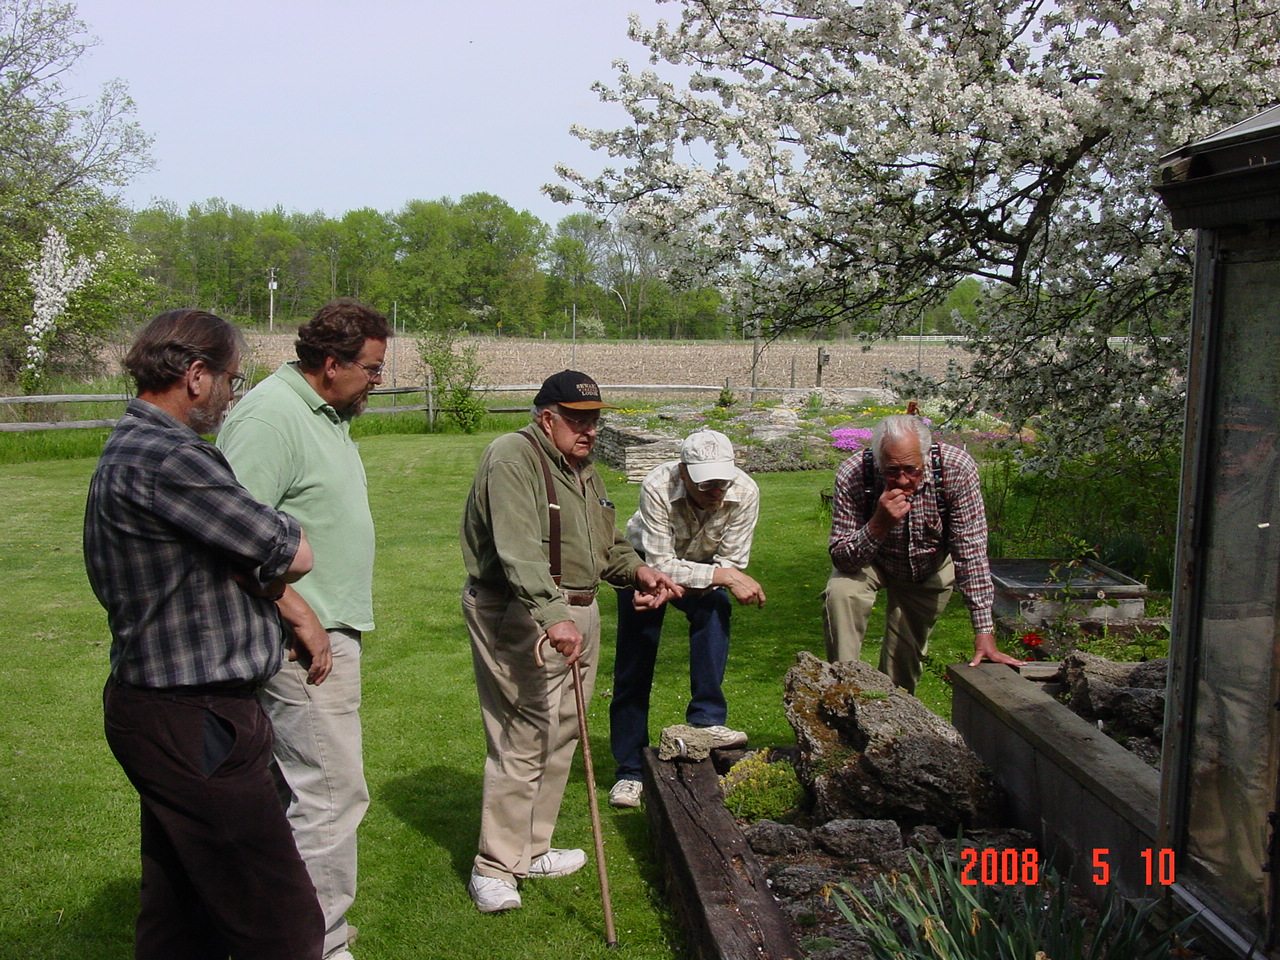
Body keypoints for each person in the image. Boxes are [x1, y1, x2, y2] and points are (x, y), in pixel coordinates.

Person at [84, 309, 326, 960]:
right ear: (195, 375)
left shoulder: (130, 446)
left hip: (167, 712)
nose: (232, 394)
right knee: (284, 926)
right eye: (230, 379)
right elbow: (293, 552)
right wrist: (280, 543)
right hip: (195, 720)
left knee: (180, 916)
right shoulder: (170, 457)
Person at [460, 369, 682, 913]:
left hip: (576, 613)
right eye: (577, 419)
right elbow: (517, 549)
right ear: (547, 417)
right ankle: (493, 866)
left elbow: (606, 550)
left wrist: (642, 573)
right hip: (522, 612)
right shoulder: (513, 457)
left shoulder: (586, 473)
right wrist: (552, 615)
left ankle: (531, 850)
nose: (589, 429)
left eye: (594, 418)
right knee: (524, 733)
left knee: (562, 732)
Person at [217, 299, 389, 960]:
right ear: (330, 364)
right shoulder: (270, 416)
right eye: (370, 369)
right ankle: (317, 944)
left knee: (304, 791)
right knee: (330, 794)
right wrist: (305, 617)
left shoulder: (327, 412)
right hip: (299, 640)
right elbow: (231, 537)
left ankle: (280, 933)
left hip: (326, 631)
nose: (378, 379)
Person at [608, 427, 766, 809]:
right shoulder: (658, 485)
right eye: (706, 483)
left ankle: (706, 721)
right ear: (683, 472)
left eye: (722, 481)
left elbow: (732, 564)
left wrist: (721, 576)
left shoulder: (745, 492)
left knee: (715, 608)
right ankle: (630, 771)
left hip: (703, 574)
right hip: (644, 570)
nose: (717, 491)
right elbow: (661, 564)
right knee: (635, 663)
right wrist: (723, 576)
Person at [823, 413, 1021, 692]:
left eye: (911, 469)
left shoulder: (957, 469)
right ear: (878, 460)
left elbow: (971, 551)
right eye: (891, 471)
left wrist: (984, 631)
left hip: (928, 565)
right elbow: (842, 558)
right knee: (842, 592)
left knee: (902, 668)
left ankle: (894, 721)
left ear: (926, 456)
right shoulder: (854, 473)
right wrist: (879, 523)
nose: (902, 480)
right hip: (870, 560)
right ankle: (843, 692)